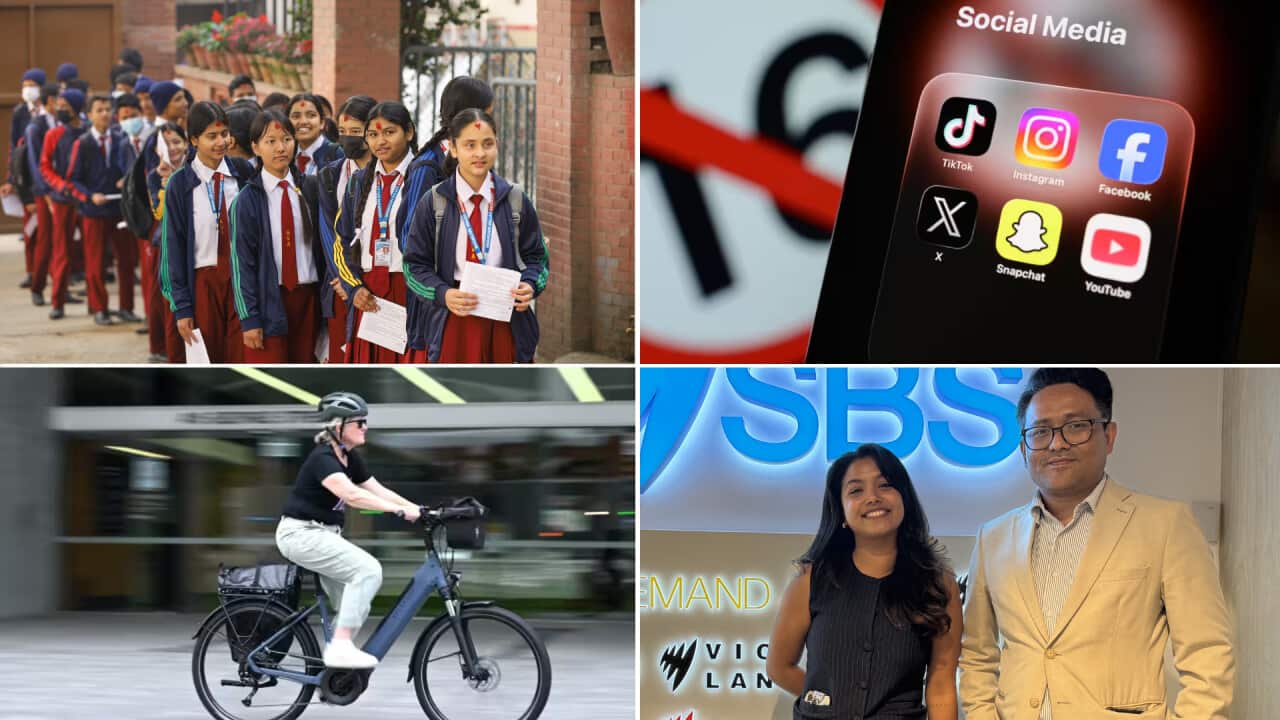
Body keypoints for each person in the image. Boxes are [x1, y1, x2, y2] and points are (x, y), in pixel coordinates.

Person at [959, 368, 1234, 719]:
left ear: (1109, 435)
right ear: (1024, 448)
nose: (1057, 444)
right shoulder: (993, 538)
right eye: (1040, 431)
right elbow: (977, 655)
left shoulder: (1165, 524)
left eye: (1076, 426)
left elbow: (1207, 652)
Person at [767, 445, 961, 720]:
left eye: (885, 485)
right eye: (856, 490)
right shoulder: (811, 581)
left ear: (904, 497)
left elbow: (941, 683)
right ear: (841, 510)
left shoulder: (938, 584)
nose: (873, 497)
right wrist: (829, 703)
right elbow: (779, 667)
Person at [275, 391, 422, 668]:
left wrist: (420, 509)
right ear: (337, 425)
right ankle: (340, 648)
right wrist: (398, 511)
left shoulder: (349, 458)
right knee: (368, 570)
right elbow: (352, 495)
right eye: (359, 422)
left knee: (356, 604)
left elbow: (378, 490)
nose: (365, 427)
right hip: (300, 534)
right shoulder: (323, 458)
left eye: (365, 422)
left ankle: (333, 671)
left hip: (324, 535)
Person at [403, 108, 549, 363]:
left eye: (487, 144)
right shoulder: (435, 202)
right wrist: (442, 294)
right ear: (453, 148)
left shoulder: (515, 200)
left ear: (497, 146)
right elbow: (413, 266)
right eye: (470, 145)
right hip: (454, 319)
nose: (480, 153)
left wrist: (529, 285)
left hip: (506, 319)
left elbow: (538, 258)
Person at [332, 101, 433, 363]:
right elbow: (342, 240)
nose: (380, 141)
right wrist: (354, 287)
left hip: (411, 291)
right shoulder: (358, 182)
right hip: (368, 295)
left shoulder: (424, 178)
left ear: (409, 132)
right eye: (373, 134)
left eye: (389, 132)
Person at [160, 101, 255, 363]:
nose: (221, 142)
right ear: (194, 140)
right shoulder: (180, 184)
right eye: (211, 136)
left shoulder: (243, 173)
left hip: (240, 281)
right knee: (208, 357)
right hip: (202, 283)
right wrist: (182, 306)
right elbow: (172, 249)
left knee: (241, 354)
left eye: (224, 134)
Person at [231, 109, 322, 363]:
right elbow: (242, 265)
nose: (281, 148)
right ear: (255, 148)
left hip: (309, 298)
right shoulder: (247, 200)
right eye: (270, 141)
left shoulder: (311, 188)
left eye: (287, 139)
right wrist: (249, 318)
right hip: (269, 299)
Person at [307, 94, 375, 363]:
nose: (348, 138)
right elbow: (328, 234)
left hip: (378, 281)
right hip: (340, 285)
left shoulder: (387, 173)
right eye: (343, 131)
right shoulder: (329, 175)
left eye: (355, 132)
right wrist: (346, 281)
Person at [69, 94, 137, 325]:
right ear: (89, 115)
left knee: (126, 262)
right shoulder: (83, 143)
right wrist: (90, 196)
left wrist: (126, 180)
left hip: (119, 209)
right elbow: (73, 179)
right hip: (94, 212)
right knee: (96, 262)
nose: (105, 114)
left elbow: (132, 169)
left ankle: (126, 307)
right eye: (99, 110)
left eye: (108, 109)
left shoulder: (122, 139)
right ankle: (100, 308)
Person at [38, 88, 88, 320]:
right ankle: (57, 301)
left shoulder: (88, 132)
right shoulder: (53, 134)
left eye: (64, 106)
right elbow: (44, 166)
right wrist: (60, 185)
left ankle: (97, 305)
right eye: (59, 106)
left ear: (76, 108)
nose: (60, 110)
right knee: (61, 251)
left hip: (86, 199)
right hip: (63, 200)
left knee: (92, 253)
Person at [149, 123, 188, 363]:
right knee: (170, 305)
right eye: (166, 144)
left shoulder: (195, 170)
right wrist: (166, 186)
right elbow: (159, 213)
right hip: (167, 247)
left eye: (177, 142)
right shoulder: (155, 176)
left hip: (192, 246)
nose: (172, 148)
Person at [4, 67, 46, 289]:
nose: (28, 89)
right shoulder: (20, 112)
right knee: (30, 230)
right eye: (25, 85)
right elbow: (14, 148)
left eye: (32, 85)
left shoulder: (47, 113)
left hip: (46, 176)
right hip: (26, 177)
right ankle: (32, 271)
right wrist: (11, 178)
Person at [24, 84, 63, 307]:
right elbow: (36, 163)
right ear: (50, 101)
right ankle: (37, 286)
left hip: (62, 188)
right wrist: (47, 193)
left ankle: (60, 287)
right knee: (45, 240)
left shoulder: (60, 122)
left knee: (62, 242)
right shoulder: (36, 127)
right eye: (59, 100)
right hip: (45, 191)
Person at [288, 93, 342, 176]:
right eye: (296, 116)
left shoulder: (337, 155)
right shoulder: (286, 154)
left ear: (322, 122)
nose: (303, 121)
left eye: (311, 115)